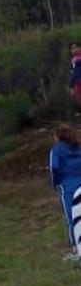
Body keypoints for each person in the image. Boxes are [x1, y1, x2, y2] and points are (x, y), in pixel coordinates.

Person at [50, 125, 81, 256]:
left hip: (68, 186)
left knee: (71, 217)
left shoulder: (56, 150)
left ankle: (76, 248)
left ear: (57, 136)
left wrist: (55, 183)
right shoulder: (79, 147)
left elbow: (54, 168)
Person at [70, 43, 81, 112]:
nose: (74, 50)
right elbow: (72, 73)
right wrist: (71, 87)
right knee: (78, 100)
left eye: (76, 48)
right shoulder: (73, 61)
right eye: (72, 48)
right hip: (76, 83)